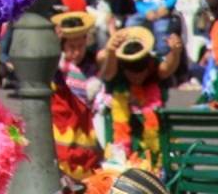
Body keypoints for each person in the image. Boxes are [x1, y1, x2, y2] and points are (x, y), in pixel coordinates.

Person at [99, 26, 184, 166]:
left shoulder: (153, 65)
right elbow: (107, 74)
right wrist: (111, 50)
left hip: (154, 137)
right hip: (122, 138)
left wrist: (175, 52)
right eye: (131, 72)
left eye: (141, 71)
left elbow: (166, 69)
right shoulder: (115, 68)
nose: (137, 77)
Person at [49, 12, 102, 182]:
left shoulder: (92, 65)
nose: (77, 52)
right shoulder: (55, 67)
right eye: (71, 47)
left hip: (86, 131)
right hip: (63, 130)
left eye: (81, 46)